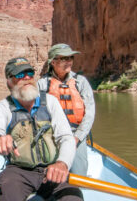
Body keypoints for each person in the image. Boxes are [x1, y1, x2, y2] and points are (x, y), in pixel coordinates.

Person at [0, 57, 83, 201]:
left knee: (73, 196)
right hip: (18, 172)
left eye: (29, 73)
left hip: (52, 169)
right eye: (19, 75)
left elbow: (66, 137)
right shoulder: (3, 107)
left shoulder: (51, 101)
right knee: (7, 188)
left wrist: (62, 163)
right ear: (9, 81)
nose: (26, 77)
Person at [38, 43, 95, 176]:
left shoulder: (81, 82)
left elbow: (89, 114)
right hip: (50, 134)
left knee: (78, 174)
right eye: (64, 58)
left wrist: (77, 138)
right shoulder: (42, 84)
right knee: (47, 174)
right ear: (53, 62)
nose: (69, 61)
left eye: (71, 58)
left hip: (76, 134)